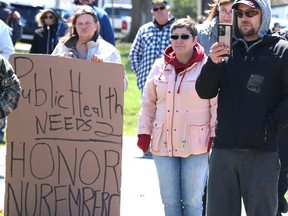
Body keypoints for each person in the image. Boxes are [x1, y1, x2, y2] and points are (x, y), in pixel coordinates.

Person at [196, 0, 288, 215]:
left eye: (251, 12)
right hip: (223, 151)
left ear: (263, 15)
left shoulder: (281, 50)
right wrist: (213, 63)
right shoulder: (227, 49)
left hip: (262, 153)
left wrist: (267, 128)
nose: (244, 17)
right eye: (240, 13)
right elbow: (204, 92)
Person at [137, 16, 217, 216]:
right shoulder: (159, 66)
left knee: (192, 202)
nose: (179, 40)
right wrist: (143, 133)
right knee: (170, 202)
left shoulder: (208, 66)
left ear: (195, 39)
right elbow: (148, 103)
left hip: (196, 144)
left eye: (184, 36)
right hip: (163, 143)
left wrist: (215, 135)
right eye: (174, 36)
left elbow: (216, 104)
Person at [52, 5, 128, 92]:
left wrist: (104, 68)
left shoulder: (109, 51)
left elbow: (122, 86)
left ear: (96, 26)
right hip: (66, 101)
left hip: (95, 103)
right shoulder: (62, 47)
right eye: (80, 23)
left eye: (88, 23)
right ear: (75, 27)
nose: (84, 26)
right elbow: (48, 76)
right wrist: (56, 63)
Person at [129, 0, 175, 92]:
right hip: (146, 81)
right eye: (156, 9)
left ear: (168, 9)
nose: (159, 11)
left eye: (162, 8)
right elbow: (134, 53)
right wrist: (139, 71)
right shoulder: (144, 30)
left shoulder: (176, 29)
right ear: (152, 12)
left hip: (170, 82)